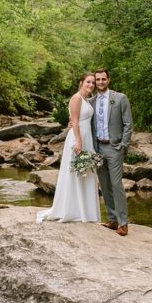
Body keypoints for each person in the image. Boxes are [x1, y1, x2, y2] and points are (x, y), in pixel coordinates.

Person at [37, 72, 100, 223]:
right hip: (78, 138)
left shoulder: (87, 99)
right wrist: (78, 141)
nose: (91, 85)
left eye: (93, 83)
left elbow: (74, 119)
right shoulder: (76, 98)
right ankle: (72, 210)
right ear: (81, 82)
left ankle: (85, 211)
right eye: (88, 82)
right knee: (75, 172)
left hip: (87, 137)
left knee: (85, 172)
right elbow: (75, 121)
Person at [92, 68, 133, 236]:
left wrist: (123, 144)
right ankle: (112, 219)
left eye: (103, 79)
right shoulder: (91, 101)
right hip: (97, 148)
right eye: (98, 80)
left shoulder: (120, 98)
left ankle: (123, 223)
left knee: (116, 185)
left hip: (114, 147)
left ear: (109, 80)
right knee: (104, 184)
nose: (100, 82)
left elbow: (128, 124)